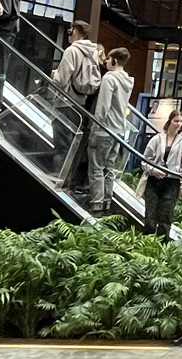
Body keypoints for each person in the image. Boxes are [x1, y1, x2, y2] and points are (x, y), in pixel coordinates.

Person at [53, 21, 105, 195]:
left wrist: (54, 75)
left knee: (61, 146)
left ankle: (59, 182)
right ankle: (69, 183)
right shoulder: (92, 51)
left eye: (70, 30)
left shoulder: (72, 51)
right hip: (80, 103)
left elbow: (61, 79)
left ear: (74, 31)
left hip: (65, 101)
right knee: (72, 145)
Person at [87, 48, 134, 215]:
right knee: (109, 168)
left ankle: (96, 204)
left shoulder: (109, 78)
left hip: (104, 129)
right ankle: (107, 202)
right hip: (119, 130)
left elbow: (103, 106)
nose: (106, 62)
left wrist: (95, 128)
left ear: (114, 61)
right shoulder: (128, 80)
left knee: (96, 168)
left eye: (108, 59)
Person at [139, 103, 182, 239]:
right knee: (150, 213)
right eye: (176, 121)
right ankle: (148, 241)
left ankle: (162, 241)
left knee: (166, 214)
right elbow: (145, 160)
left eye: (181, 121)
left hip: (172, 181)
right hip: (154, 180)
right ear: (170, 121)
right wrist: (154, 171)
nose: (179, 124)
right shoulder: (157, 139)